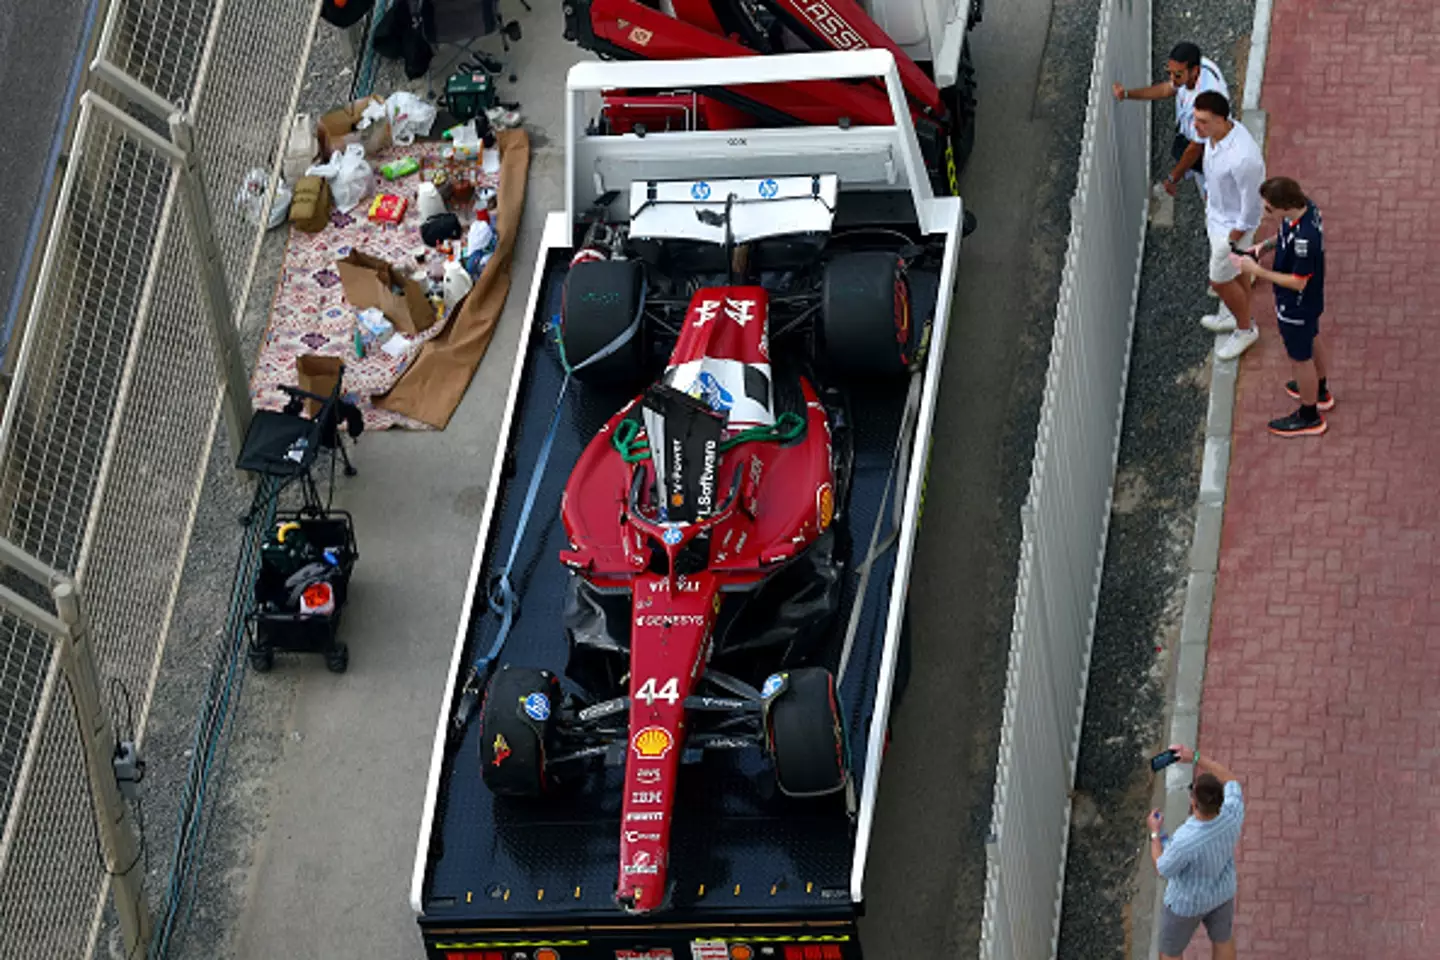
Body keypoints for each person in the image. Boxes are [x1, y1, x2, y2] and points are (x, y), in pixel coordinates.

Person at [1230, 176, 1332, 436]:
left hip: (1296, 305)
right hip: (1309, 303)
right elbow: (1285, 233)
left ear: (1285, 205)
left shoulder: (1305, 241)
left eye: (1269, 209)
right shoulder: (1305, 209)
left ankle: (1309, 415)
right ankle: (1319, 389)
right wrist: (1263, 247)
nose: (1266, 214)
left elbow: (1298, 282)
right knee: (1312, 337)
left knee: (1300, 359)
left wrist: (1257, 271)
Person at [1148, 744, 1244, 960]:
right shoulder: (1232, 812)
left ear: (1194, 802)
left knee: (1170, 952)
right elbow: (1231, 779)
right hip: (1222, 894)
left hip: (1185, 905)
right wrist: (1196, 757)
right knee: (1223, 940)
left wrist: (1155, 834)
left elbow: (1162, 868)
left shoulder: (1186, 840)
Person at [1191, 91, 1266, 358]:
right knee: (1237, 273)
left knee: (1219, 280)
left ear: (1222, 120)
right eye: (1195, 119)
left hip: (1232, 229)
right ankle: (1239, 316)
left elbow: (1252, 206)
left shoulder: (1243, 158)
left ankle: (1245, 329)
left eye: (1203, 121)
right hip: (1217, 217)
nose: (1196, 126)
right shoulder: (1214, 137)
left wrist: (1233, 239)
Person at [1112, 41, 1230, 199]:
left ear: (1194, 71)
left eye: (1178, 74)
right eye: (1170, 72)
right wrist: (1127, 94)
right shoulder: (1198, 68)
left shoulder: (1206, 100)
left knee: (1215, 199)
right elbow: (1167, 89)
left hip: (1212, 155)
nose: (1173, 79)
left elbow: (1195, 148)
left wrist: (1172, 178)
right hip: (1202, 146)